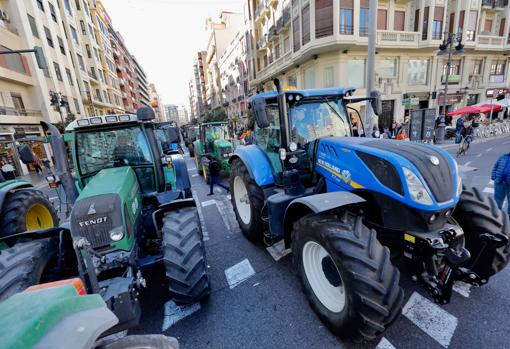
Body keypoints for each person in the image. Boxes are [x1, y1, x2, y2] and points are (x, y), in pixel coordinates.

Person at [492, 152, 510, 217]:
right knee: (497, 199)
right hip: (499, 182)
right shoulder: (503, 156)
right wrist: (493, 176)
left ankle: (509, 216)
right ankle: (497, 215)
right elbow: (495, 166)